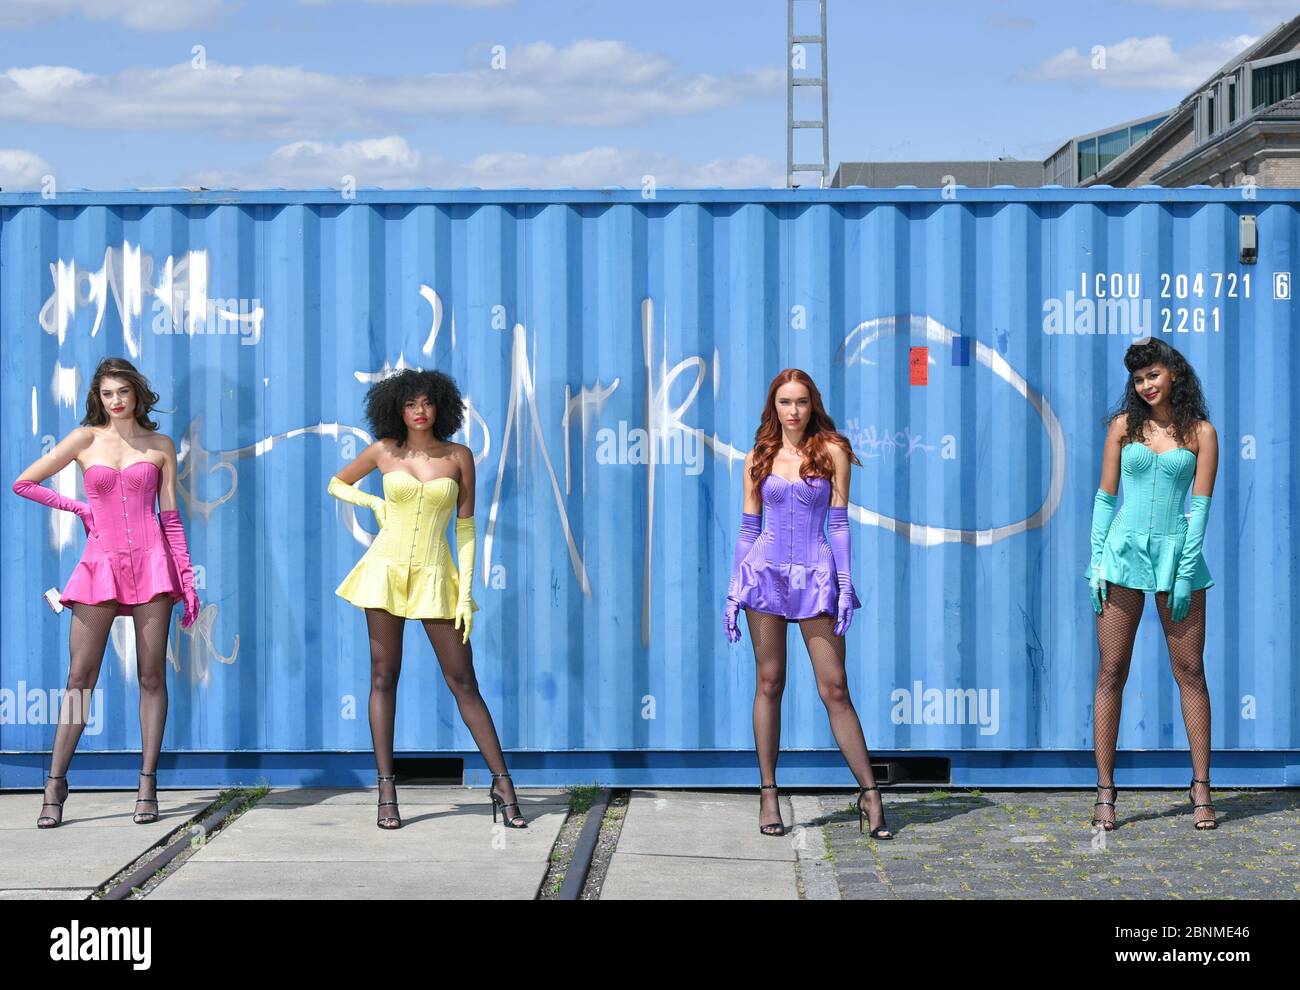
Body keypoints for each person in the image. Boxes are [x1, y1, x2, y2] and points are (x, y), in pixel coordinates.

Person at [328, 368, 524, 830]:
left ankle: (503, 784)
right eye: (410, 404)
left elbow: (466, 528)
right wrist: (375, 505)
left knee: (463, 681)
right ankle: (386, 792)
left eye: (427, 403)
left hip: (438, 576)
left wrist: (466, 593)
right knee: (383, 676)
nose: (419, 411)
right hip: (384, 573)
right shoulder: (384, 451)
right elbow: (337, 483)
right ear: (397, 408)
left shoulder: (459, 456)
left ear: (441, 407)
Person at [12, 357, 200, 829]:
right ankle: (55, 782)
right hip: (100, 566)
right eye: (107, 394)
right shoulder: (84, 439)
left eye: (123, 392)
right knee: (79, 677)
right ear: (99, 398)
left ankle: (147, 784)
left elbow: (170, 516)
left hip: (153, 567)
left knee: (152, 676)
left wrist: (187, 578)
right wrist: (79, 508)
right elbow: (24, 483)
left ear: (138, 394)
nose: (116, 401)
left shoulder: (160, 445)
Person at [723, 368, 891, 839]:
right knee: (769, 681)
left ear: (812, 404)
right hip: (764, 576)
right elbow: (747, 529)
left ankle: (870, 794)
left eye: (800, 402)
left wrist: (844, 584)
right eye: (784, 402)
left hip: (816, 578)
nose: (793, 411)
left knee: (835, 686)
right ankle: (769, 795)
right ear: (773, 407)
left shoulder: (832, 450)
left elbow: (838, 525)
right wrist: (734, 592)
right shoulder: (758, 455)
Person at [1085, 338, 1218, 830]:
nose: (1146, 385)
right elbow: (1105, 497)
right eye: (1139, 380)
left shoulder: (1202, 432)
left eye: (1153, 375)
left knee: (1190, 671)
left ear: (1174, 374)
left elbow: (1201, 507)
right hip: (1122, 557)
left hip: (1176, 556)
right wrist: (1095, 562)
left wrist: (1185, 572)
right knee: (1111, 670)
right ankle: (1104, 793)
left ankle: (1201, 789)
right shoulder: (1123, 427)